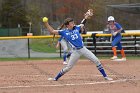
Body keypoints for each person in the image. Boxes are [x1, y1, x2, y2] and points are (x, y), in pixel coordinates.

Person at [43, 9, 113, 81]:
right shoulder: (63, 32)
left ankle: (105, 76)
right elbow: (52, 31)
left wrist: (86, 16)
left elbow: (83, 22)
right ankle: (55, 78)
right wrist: (46, 23)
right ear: (67, 25)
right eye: (71, 22)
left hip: (83, 49)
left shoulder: (77, 27)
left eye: (73, 22)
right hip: (75, 52)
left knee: (96, 60)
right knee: (68, 67)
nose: (73, 23)